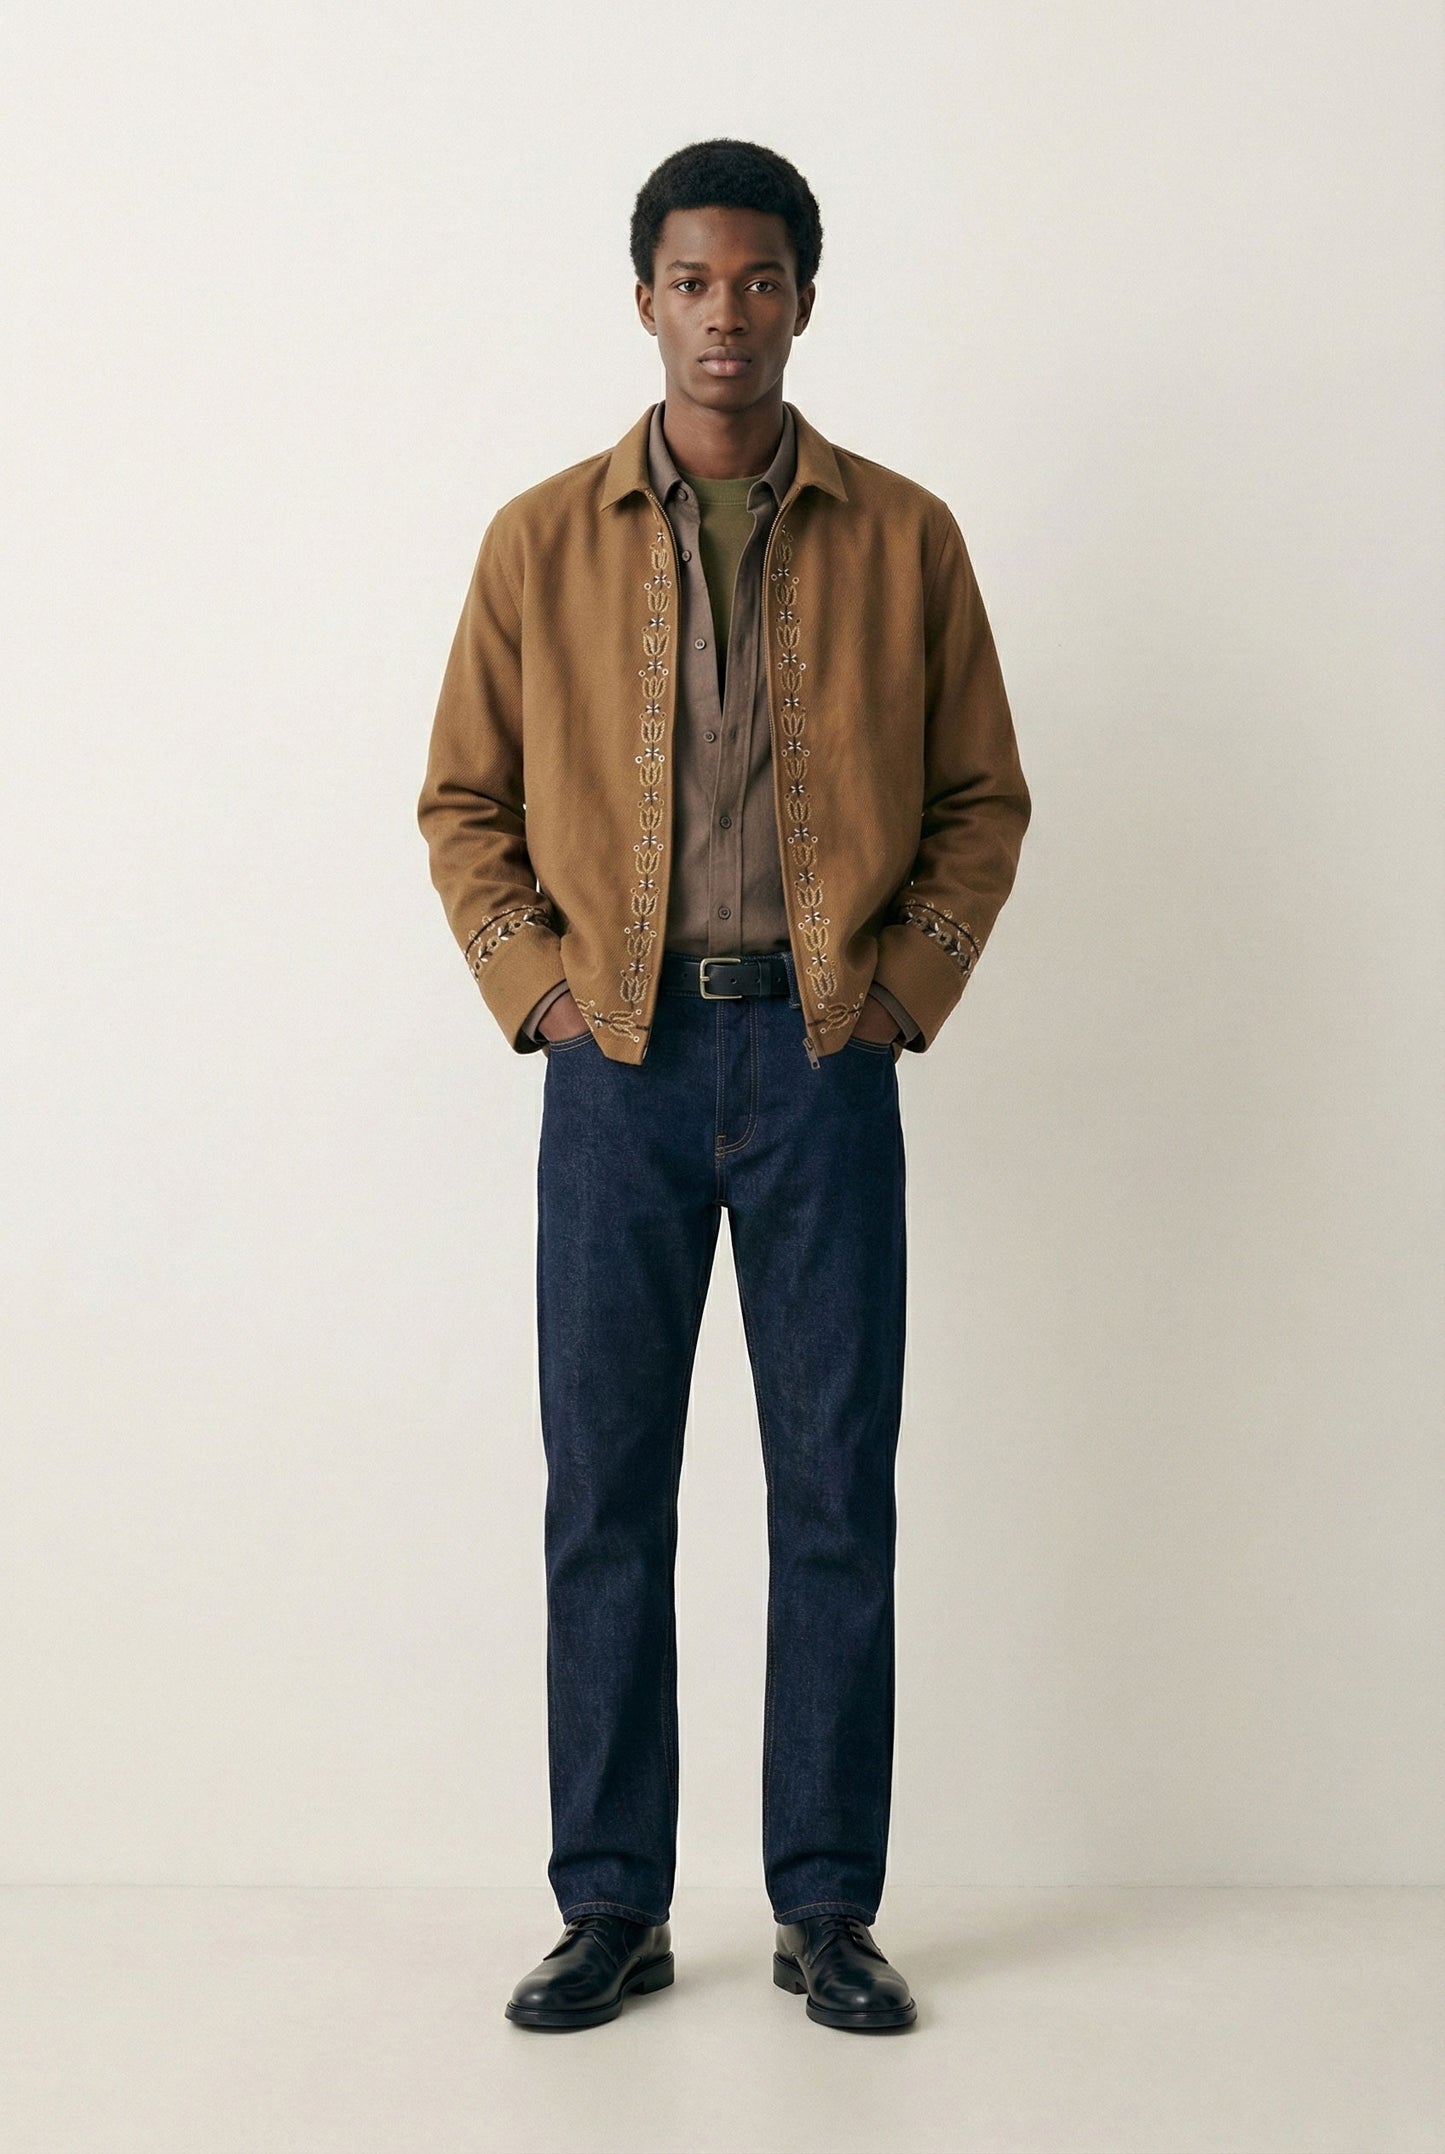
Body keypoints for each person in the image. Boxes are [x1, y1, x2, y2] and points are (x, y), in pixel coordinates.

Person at [417, 137, 1030, 2035]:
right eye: (692, 283)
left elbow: (981, 799)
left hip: (822, 1060)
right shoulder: (538, 540)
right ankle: (609, 1901)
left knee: (832, 1486)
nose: (724, 316)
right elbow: (462, 802)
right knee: (605, 1490)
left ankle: (824, 1905)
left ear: (803, 302)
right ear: (643, 302)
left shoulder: (905, 535)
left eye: (758, 282)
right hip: (616, 1063)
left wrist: (893, 997)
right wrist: (539, 997)